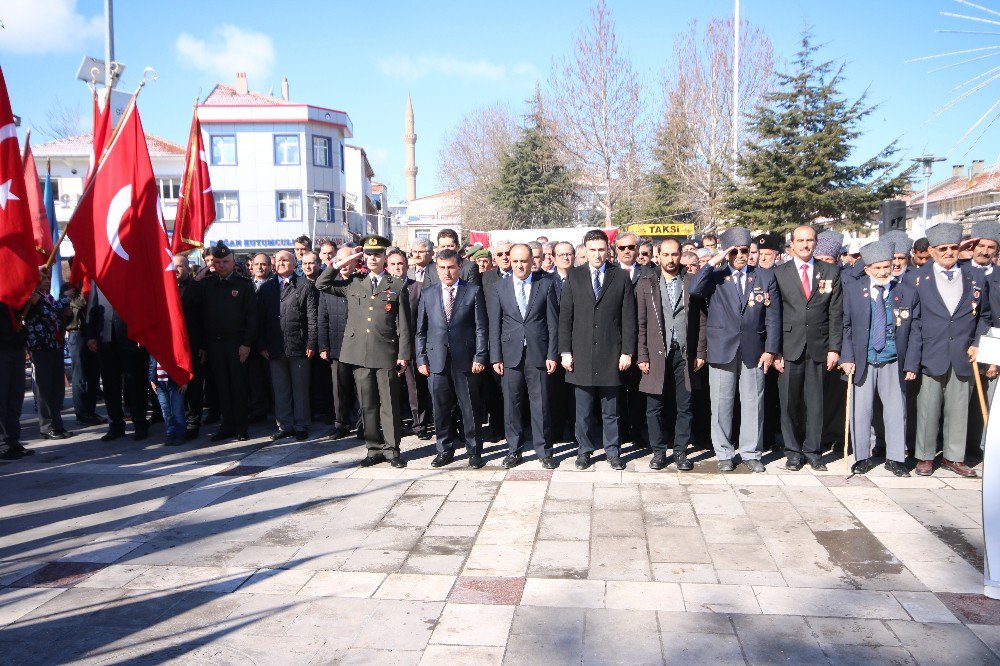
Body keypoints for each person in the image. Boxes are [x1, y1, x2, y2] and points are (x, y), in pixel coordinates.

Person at [689, 227, 781, 473]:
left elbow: (773, 316)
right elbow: (694, 289)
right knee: (721, 402)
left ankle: (751, 452)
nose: (742, 255)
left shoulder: (764, 276)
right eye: (736, 251)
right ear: (727, 252)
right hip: (722, 347)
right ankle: (724, 452)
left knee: (753, 402)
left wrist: (771, 349)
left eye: (746, 250)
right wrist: (715, 260)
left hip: (754, 348)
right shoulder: (716, 276)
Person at [316, 235, 412, 467]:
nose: (372, 258)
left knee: (389, 404)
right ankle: (373, 448)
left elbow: (404, 325)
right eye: (368, 254)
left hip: (386, 352)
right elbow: (321, 284)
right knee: (367, 404)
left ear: (385, 258)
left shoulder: (396, 285)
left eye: (377, 254)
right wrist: (347, 258)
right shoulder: (353, 282)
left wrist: (404, 354)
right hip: (359, 353)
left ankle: (392, 449)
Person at [906, 222, 990, 477]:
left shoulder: (973, 276)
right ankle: (925, 456)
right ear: (931, 251)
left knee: (958, 407)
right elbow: (914, 322)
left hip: (963, 353)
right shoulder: (917, 279)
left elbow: (984, 316)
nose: (949, 252)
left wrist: (977, 343)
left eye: (954, 247)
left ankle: (954, 456)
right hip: (931, 352)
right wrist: (913, 360)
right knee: (928, 407)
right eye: (943, 248)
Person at [559, 229, 637, 470]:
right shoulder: (574, 276)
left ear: (608, 250)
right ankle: (584, 451)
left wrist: (627, 351)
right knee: (582, 411)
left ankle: (613, 451)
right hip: (580, 354)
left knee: (610, 410)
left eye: (601, 249)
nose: (597, 254)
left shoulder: (620, 276)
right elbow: (566, 317)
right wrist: (565, 351)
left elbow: (628, 317)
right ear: (584, 250)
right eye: (592, 250)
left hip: (610, 354)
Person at [840, 239, 918, 477]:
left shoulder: (905, 292)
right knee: (860, 410)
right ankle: (862, 456)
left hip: (893, 358)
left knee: (896, 409)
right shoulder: (854, 291)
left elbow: (915, 329)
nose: (884, 271)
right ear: (867, 269)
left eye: (887, 266)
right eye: (878, 268)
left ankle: (895, 458)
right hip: (863, 359)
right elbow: (846, 326)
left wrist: (911, 362)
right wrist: (847, 356)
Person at [771, 225, 843, 471]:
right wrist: (775, 350)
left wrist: (834, 347)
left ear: (816, 243)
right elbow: (774, 314)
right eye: (800, 240)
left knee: (816, 402)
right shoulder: (779, 273)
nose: (805, 245)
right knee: (789, 403)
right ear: (792, 244)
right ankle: (792, 451)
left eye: (809, 240)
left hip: (819, 347)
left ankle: (813, 450)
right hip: (788, 347)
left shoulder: (831, 271)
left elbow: (836, 312)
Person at [636, 238, 706, 471]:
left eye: (674, 254)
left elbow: (702, 320)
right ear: (658, 256)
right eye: (665, 254)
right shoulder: (647, 282)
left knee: (684, 404)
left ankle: (680, 451)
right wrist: (642, 355)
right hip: (657, 352)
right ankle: (658, 451)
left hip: (684, 352)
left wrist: (700, 351)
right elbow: (641, 322)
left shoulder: (692, 281)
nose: (670, 259)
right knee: (653, 405)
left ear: (680, 255)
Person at [415, 249, 488, 468]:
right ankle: (444, 450)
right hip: (436, 361)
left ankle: (474, 451)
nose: (447, 272)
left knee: (470, 407)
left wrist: (480, 355)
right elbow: (421, 330)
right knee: (440, 408)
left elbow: (480, 328)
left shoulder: (473, 291)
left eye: (451, 267)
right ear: (436, 269)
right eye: (442, 268)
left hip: (465, 360)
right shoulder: (428, 294)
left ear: (459, 268)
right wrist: (421, 359)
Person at [489, 244, 560, 468]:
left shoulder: (545, 285)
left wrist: (552, 354)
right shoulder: (499, 287)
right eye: (516, 261)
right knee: (512, 405)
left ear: (532, 262)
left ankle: (544, 451)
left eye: (524, 261)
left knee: (541, 405)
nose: (520, 265)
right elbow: (495, 325)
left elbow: (553, 324)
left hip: (538, 354)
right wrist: (495, 357)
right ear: (510, 260)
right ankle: (514, 450)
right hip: (510, 356)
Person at [195, 242, 258, 442]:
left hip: (237, 343)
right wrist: (198, 277)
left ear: (233, 262)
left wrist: (247, 344)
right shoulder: (206, 284)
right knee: (221, 386)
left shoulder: (244, 284)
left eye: (225, 261)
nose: (221, 265)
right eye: (217, 262)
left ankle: (241, 427)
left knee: (238, 386)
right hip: (214, 344)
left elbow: (252, 318)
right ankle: (227, 424)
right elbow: (194, 310)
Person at [258, 250, 317, 441]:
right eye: (278, 260)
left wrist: (311, 342)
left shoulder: (304, 285)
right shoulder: (267, 288)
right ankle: (284, 426)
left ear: (294, 263)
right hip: (275, 347)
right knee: (280, 389)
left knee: (300, 389)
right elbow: (262, 319)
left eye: (286, 260)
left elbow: (312, 317)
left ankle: (301, 425)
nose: (281, 263)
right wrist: (262, 344)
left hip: (298, 345)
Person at [88, 286, 150, 442]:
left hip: (131, 338)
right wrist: (90, 336)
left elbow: (144, 305)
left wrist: (143, 333)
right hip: (106, 338)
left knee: (136, 382)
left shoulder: (132, 271)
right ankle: (115, 425)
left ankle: (140, 424)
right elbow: (92, 307)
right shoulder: (99, 277)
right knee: (110, 384)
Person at [25, 267, 75, 440]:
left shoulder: (47, 297)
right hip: (41, 347)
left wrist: (65, 313)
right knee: (44, 388)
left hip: (54, 344)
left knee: (56, 388)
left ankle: (57, 424)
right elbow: (50, 314)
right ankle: (47, 426)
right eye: (44, 277)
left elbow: (55, 316)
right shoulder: (33, 298)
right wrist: (65, 300)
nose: (47, 280)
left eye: (48, 277)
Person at [318, 246, 361, 439]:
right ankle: (341, 424)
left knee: (362, 389)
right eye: (340, 261)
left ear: (354, 262)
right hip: (337, 345)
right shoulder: (329, 285)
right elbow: (322, 317)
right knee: (339, 388)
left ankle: (363, 424)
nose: (344, 265)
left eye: (348, 260)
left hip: (360, 344)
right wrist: (323, 345)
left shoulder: (361, 282)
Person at [388, 247, 431, 439]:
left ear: (407, 265)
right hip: (388, 346)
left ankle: (419, 424)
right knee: (391, 389)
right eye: (393, 264)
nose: (397, 268)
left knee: (415, 389)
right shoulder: (382, 288)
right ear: (387, 267)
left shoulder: (419, 288)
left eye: (400, 263)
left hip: (413, 345)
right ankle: (395, 424)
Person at [173, 255, 205, 439]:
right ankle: (178, 420)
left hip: (193, 343)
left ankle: (194, 421)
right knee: (175, 384)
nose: (176, 270)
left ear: (187, 267)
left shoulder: (196, 288)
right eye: (173, 266)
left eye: (180, 266)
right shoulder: (167, 288)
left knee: (193, 385)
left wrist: (202, 346)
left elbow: (202, 319)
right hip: (174, 344)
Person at [0, 300, 29, 459]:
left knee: (16, 397)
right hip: (2, 349)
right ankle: (3, 443)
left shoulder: (13, 296)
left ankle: (13, 440)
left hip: (16, 348)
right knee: (2, 399)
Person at [149, 355, 187, 446]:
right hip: (160, 383)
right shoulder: (155, 344)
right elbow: (152, 361)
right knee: (165, 411)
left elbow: (183, 358)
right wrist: (152, 379)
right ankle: (170, 433)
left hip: (175, 381)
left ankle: (180, 434)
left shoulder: (174, 341)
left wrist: (185, 379)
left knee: (177, 410)